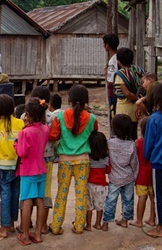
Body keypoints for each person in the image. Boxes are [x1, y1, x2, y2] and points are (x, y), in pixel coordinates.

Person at [50, 84, 98, 235]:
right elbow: (94, 133)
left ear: (69, 99)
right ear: (86, 100)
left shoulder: (59, 117)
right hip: (83, 160)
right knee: (81, 194)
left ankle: (56, 226)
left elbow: (53, 136)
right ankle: (79, 226)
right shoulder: (92, 119)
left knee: (61, 193)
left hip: (64, 160)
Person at [0, 94, 24, 238]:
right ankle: (11, 224)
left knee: (5, 195)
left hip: (3, 165)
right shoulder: (20, 123)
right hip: (18, 165)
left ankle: (3, 227)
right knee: (15, 194)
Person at [14, 98, 50, 245]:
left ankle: (25, 234)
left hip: (28, 170)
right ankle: (38, 233)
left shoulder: (25, 132)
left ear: (27, 114)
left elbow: (22, 152)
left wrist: (15, 145)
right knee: (40, 201)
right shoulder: (45, 129)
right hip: (41, 168)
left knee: (27, 201)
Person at [102, 114, 139, 231]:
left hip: (114, 177)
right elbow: (134, 163)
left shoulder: (109, 143)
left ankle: (106, 223)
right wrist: (135, 175)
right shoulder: (131, 144)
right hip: (128, 177)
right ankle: (124, 221)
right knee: (128, 200)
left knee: (111, 200)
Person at [144, 82, 162, 237]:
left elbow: (149, 144)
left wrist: (147, 156)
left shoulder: (154, 119)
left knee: (160, 195)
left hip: (159, 163)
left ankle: (160, 227)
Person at [114, 47, 144, 140]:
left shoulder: (121, 74)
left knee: (122, 136)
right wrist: (140, 100)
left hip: (124, 110)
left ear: (118, 61)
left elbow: (127, 93)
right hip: (135, 109)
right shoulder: (138, 70)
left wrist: (136, 98)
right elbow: (143, 86)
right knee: (133, 134)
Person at [130, 117, 156, 228]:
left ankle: (139, 221)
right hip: (153, 174)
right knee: (153, 198)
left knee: (142, 197)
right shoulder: (155, 142)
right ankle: (152, 219)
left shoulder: (138, 143)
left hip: (141, 175)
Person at [85, 131, 110, 231]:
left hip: (88, 184)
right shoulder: (106, 159)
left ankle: (88, 225)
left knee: (89, 207)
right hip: (101, 185)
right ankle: (98, 224)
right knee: (100, 207)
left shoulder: (88, 158)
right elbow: (108, 170)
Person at [103, 33, 119, 126]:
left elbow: (111, 80)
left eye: (104, 44)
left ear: (107, 45)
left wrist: (106, 73)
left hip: (113, 93)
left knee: (113, 117)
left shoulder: (113, 60)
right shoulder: (118, 57)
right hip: (117, 93)